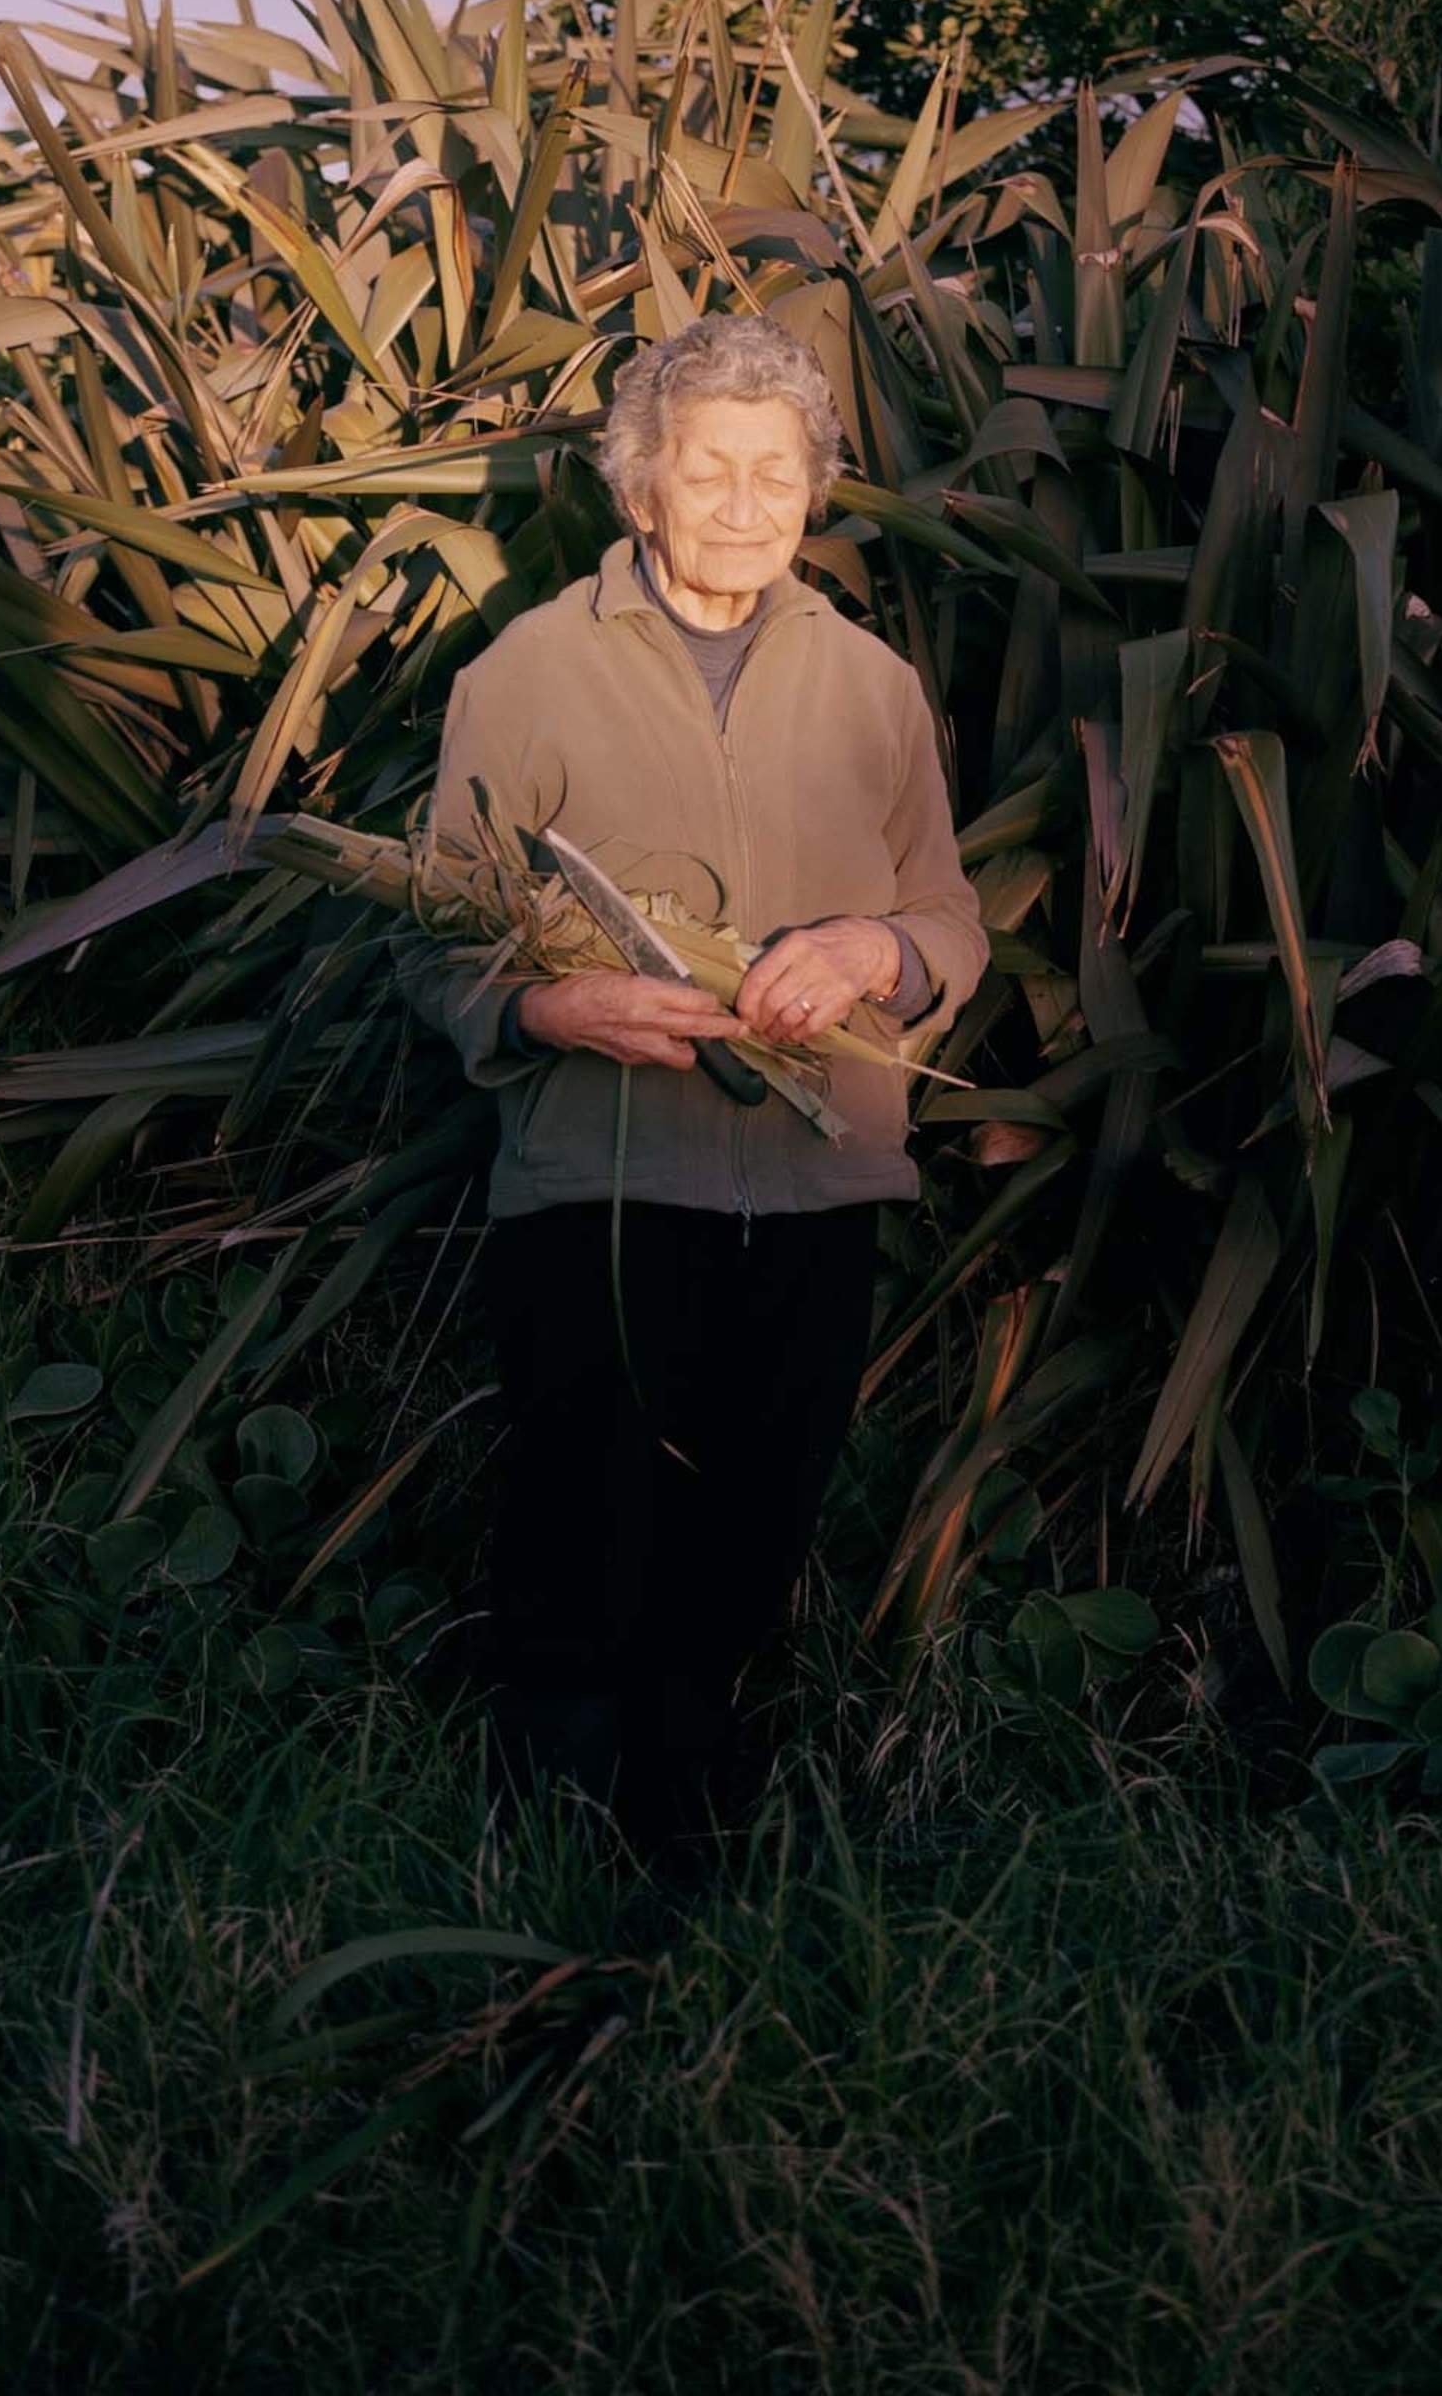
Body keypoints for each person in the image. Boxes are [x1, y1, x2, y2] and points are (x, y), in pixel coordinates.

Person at [401, 311, 989, 1854]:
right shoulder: (526, 674)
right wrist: (551, 1007)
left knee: (755, 1527)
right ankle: (544, 1858)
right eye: (707, 469)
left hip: (821, 1181)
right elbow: (430, 938)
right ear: (639, 485)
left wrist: (871, 948)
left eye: (775, 473)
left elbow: (949, 917)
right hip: (602, 1180)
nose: (743, 504)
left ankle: (699, 1864)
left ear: (815, 490)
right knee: (581, 1522)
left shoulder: (872, 686)